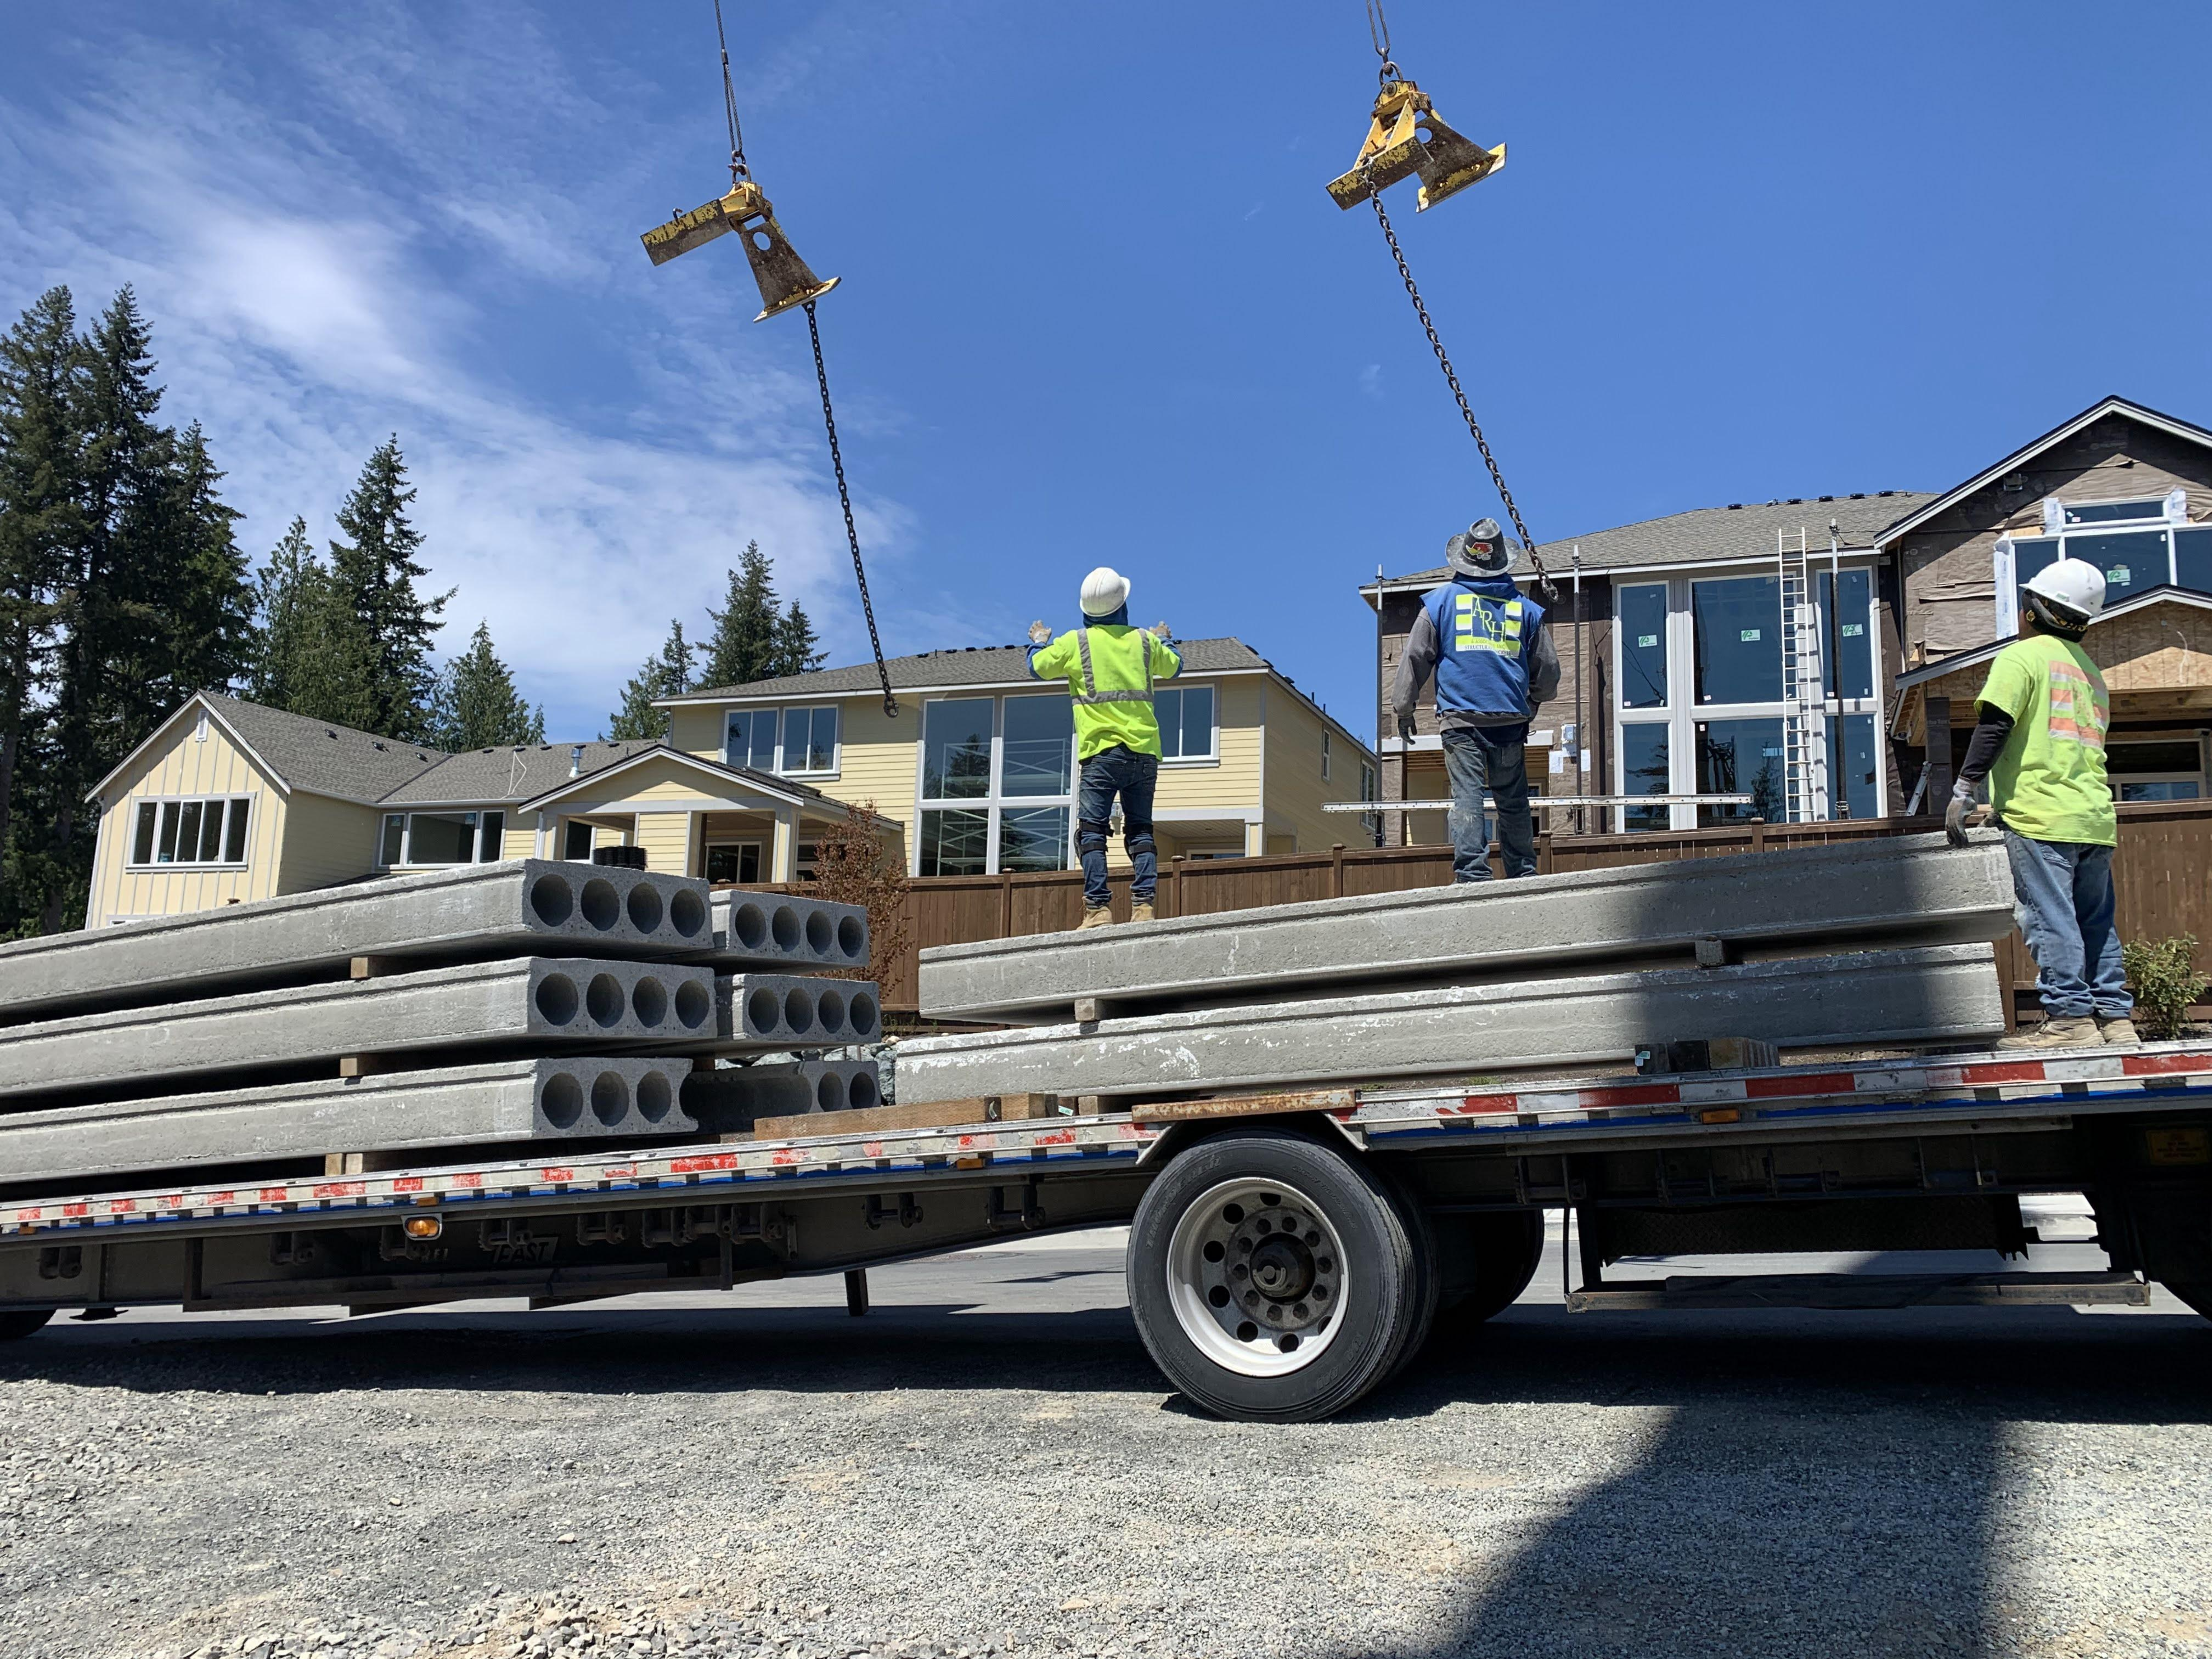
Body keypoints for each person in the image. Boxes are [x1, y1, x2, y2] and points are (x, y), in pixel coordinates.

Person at [1947, 556, 2137, 1050]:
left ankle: (2071, 1021)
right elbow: (2062, 751)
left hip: (2041, 818)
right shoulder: (2091, 674)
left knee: (2050, 917)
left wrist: (1965, 789)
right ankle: (2115, 1021)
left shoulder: (2021, 658)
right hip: (2092, 818)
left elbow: (1996, 726)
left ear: (2035, 610)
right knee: (2095, 921)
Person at [1391, 518, 1560, 883]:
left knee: (1467, 797)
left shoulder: (1440, 604)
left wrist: (1404, 708)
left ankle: (1472, 874)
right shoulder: (1525, 610)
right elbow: (1548, 670)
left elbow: (1415, 658)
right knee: (1513, 801)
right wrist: (1534, 702)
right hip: (1510, 721)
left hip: (1461, 721)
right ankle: (1523, 873)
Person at [1028, 566, 1184, 929]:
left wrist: (1038, 639)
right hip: (1144, 751)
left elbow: (1038, 667)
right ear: (1123, 605)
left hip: (1101, 754)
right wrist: (1165, 639)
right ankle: (1143, 908)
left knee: (1092, 832)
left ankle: (1098, 910)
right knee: (1141, 830)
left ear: (1086, 610)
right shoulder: (1145, 641)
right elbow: (1175, 667)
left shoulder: (1074, 643)